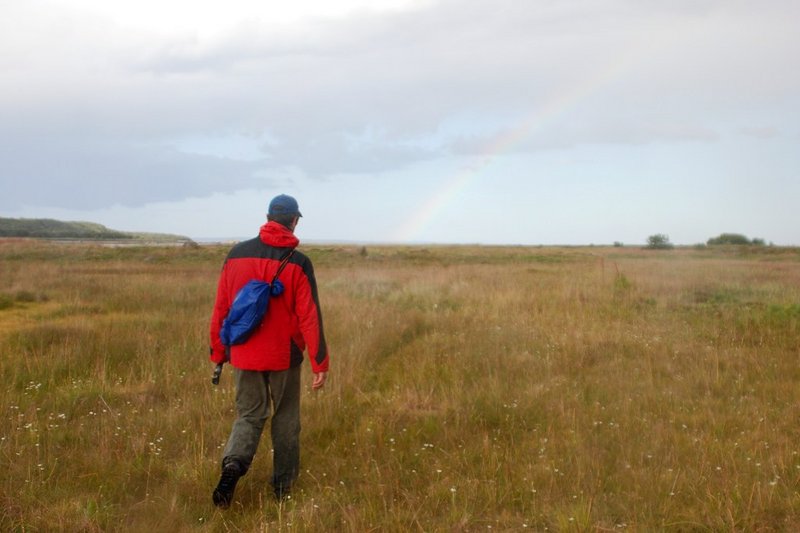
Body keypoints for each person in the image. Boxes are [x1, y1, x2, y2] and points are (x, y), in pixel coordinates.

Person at [208, 194, 329, 507]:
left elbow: (222, 308)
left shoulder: (235, 255)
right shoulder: (299, 262)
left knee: (249, 416)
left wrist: (219, 354)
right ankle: (282, 489)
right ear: (294, 220)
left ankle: (233, 466)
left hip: (243, 354)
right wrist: (320, 362)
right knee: (286, 419)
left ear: (267, 217)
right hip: (283, 357)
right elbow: (309, 316)